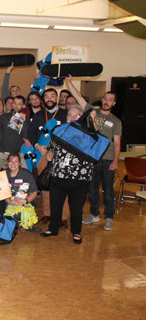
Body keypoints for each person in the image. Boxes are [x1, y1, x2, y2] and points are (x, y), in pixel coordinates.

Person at [66, 76, 122, 231]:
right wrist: (69, 82)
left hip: (108, 159)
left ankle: (109, 217)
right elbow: (78, 96)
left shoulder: (116, 122)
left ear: (113, 103)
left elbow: (117, 143)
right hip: (92, 159)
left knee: (108, 191)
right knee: (92, 189)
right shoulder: (92, 111)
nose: (106, 101)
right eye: (105, 98)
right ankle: (94, 214)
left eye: (110, 100)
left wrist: (115, 161)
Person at [41, 105, 94, 244]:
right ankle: (53, 228)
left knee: (76, 208)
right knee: (55, 204)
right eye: (70, 114)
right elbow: (51, 147)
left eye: (76, 115)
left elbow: (93, 152)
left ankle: (76, 232)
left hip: (79, 178)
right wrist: (50, 153)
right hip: (58, 175)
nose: (72, 117)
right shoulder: (59, 130)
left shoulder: (88, 133)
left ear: (81, 117)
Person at [27, 88, 67, 223]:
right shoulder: (39, 115)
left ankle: (63, 217)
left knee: (61, 185)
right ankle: (47, 213)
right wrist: (38, 147)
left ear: (56, 98)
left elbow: (68, 135)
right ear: (44, 99)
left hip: (59, 154)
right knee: (45, 184)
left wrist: (55, 150)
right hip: (42, 154)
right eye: (47, 96)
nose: (49, 99)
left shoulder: (64, 114)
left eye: (52, 96)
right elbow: (31, 134)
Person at [4, 153, 40, 232]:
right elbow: (1, 193)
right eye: (11, 161)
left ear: (20, 163)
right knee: (9, 217)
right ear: (7, 163)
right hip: (9, 201)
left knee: (23, 213)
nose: (13, 164)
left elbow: (34, 192)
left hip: (25, 201)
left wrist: (25, 201)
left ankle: (23, 222)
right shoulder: (3, 174)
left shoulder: (27, 174)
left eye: (16, 161)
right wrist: (9, 201)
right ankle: (14, 222)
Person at [0, 95, 30, 169]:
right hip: (2, 154)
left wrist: (21, 120)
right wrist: (16, 117)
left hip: (16, 155)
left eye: (19, 104)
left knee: (26, 174)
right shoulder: (3, 117)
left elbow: (26, 135)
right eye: (14, 103)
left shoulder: (25, 120)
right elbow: (7, 131)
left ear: (23, 106)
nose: (16, 106)